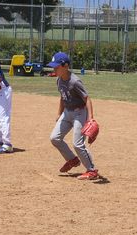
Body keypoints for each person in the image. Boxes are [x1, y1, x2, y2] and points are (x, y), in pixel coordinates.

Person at [48, 52, 98, 180]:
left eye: (56, 66)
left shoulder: (75, 81)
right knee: (55, 138)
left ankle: (91, 170)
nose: (54, 69)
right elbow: (62, 97)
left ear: (65, 66)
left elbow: (87, 99)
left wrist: (90, 118)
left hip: (79, 113)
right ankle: (72, 160)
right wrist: (59, 113)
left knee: (77, 144)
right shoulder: (59, 80)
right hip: (67, 112)